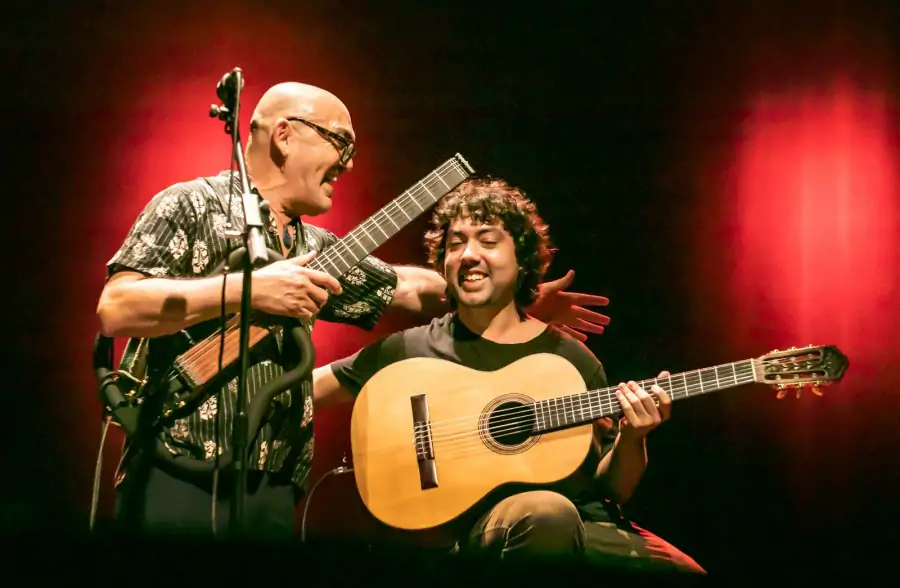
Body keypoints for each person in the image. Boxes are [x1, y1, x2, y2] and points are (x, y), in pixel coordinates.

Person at [96, 82, 610, 539]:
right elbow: (116, 308)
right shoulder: (188, 205)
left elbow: (407, 287)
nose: (350, 161)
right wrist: (250, 290)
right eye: (341, 142)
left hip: (272, 484)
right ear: (285, 135)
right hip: (177, 467)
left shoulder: (313, 246)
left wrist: (508, 292)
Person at [313, 177, 706, 574]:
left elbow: (610, 491)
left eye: (487, 240)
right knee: (548, 513)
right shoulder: (407, 350)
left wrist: (633, 436)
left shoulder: (570, 359)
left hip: (585, 525)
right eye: (455, 243)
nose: (468, 254)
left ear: (521, 260)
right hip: (482, 530)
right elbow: (304, 389)